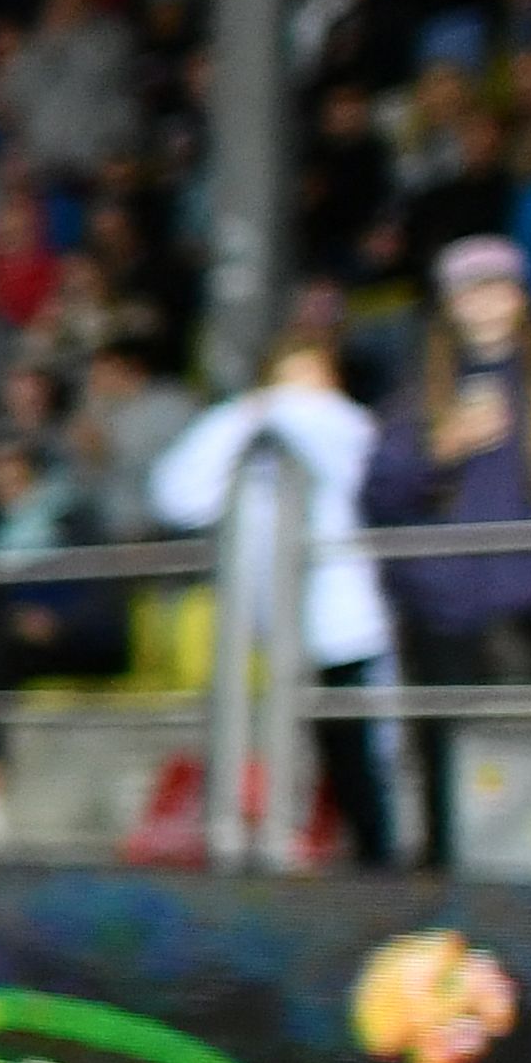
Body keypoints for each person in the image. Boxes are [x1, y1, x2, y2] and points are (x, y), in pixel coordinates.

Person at [363, 236, 531, 866]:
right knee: (446, 767)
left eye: (498, 287)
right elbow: (377, 495)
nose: (485, 303)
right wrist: (439, 450)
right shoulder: (417, 396)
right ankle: (449, 901)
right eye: (470, 290)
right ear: (449, 304)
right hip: (445, 611)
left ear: (519, 298)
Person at [152, 341, 392, 867]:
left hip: (351, 631)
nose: (295, 397)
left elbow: (355, 452)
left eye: (309, 379)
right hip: (275, 637)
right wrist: (240, 415)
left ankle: (385, 870)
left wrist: (281, 406)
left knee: (368, 766)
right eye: (282, 381)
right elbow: (177, 496)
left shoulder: (350, 431)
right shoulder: (248, 440)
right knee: (303, 766)